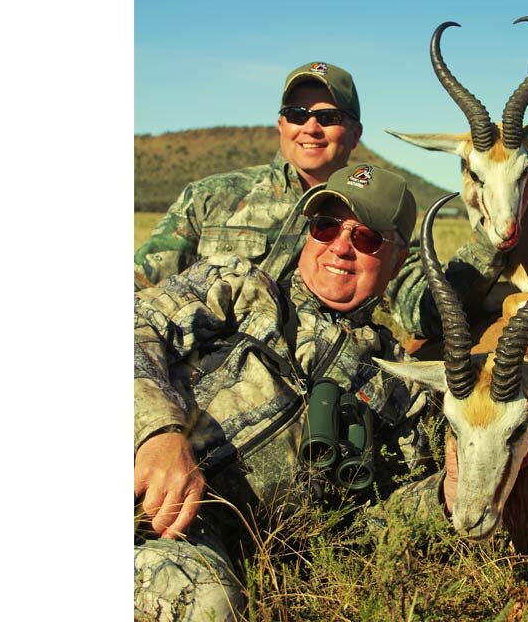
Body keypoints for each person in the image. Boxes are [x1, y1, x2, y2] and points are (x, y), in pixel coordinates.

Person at [134, 164, 450, 622]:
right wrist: (156, 433)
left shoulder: (404, 387)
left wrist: (449, 491)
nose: (339, 246)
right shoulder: (238, 285)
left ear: (399, 259)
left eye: (365, 238)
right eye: (325, 227)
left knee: (207, 605)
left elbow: (378, 522)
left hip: (190, 546)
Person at [134, 61, 507, 339]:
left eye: (327, 116)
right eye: (296, 114)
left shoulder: (381, 215)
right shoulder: (209, 198)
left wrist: (493, 234)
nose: (310, 127)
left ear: (355, 132)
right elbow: (139, 290)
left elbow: (423, 309)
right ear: (281, 125)